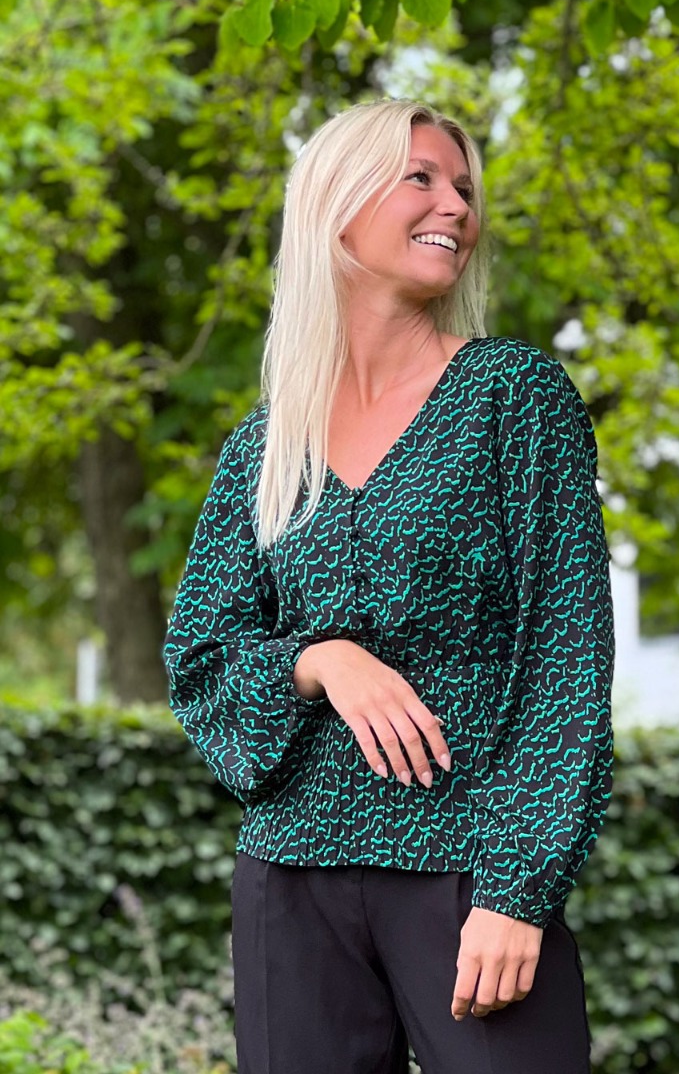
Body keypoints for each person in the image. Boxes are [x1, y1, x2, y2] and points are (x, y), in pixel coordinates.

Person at [163, 97, 615, 1074]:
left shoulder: (513, 398)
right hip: (291, 879)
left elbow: (566, 659)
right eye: (421, 178)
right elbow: (200, 661)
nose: (455, 205)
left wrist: (516, 889)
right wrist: (319, 659)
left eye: (464, 187)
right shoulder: (266, 446)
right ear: (337, 205)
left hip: (470, 873)